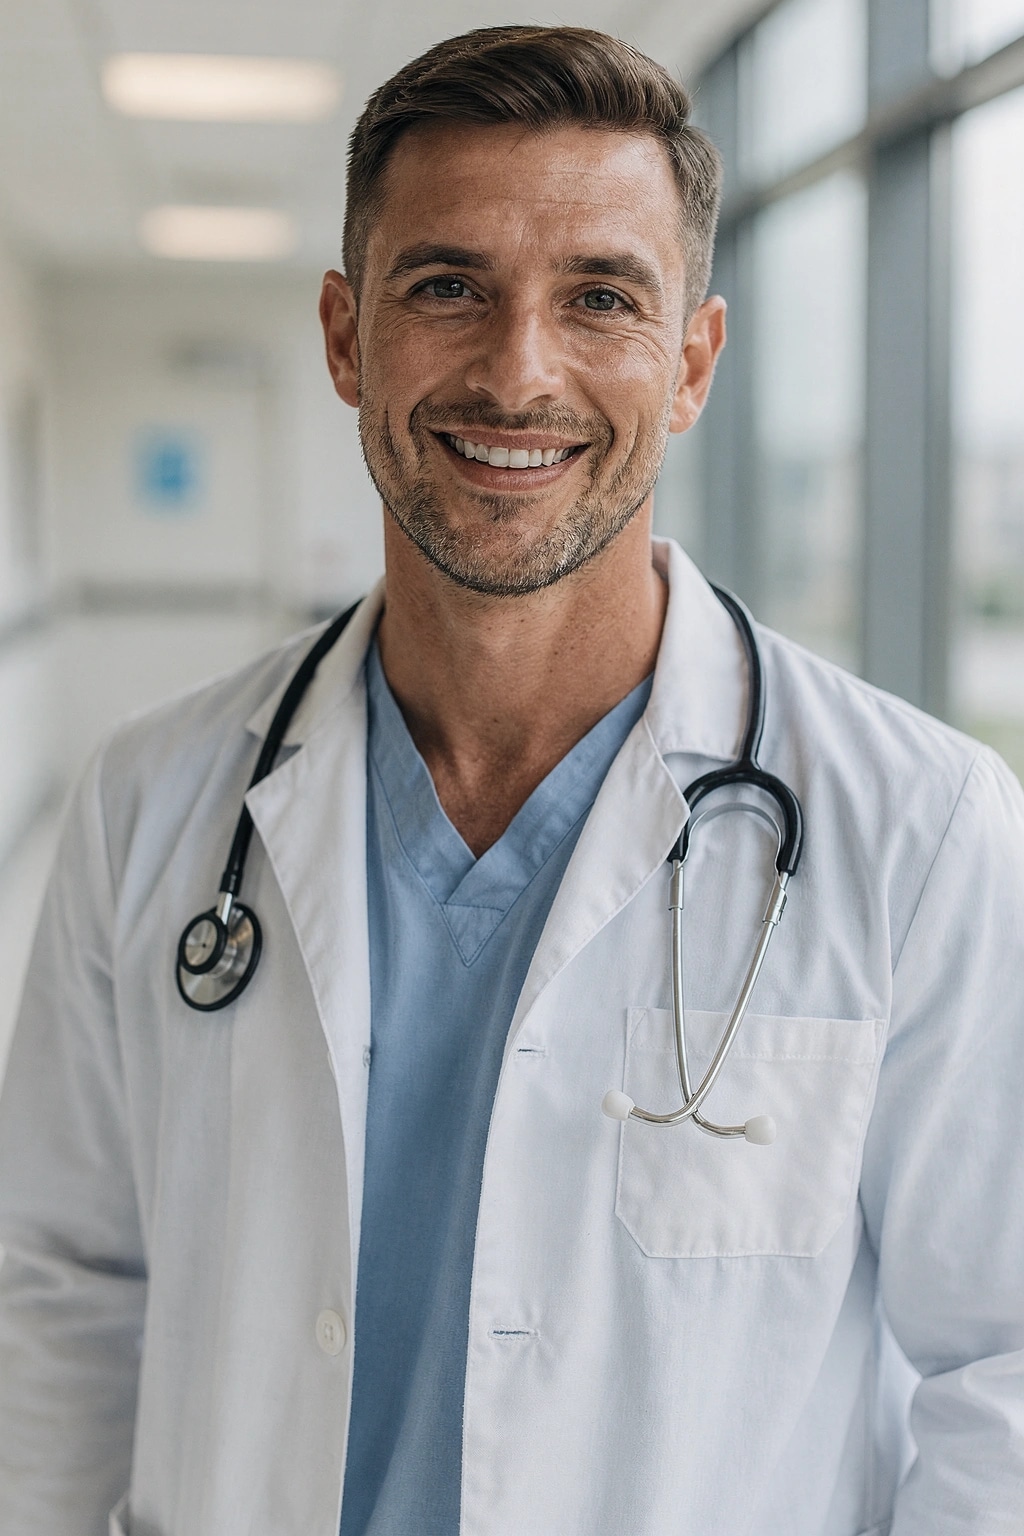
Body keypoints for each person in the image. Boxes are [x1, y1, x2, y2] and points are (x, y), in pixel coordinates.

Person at [1, 23, 1022, 1536]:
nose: (518, 370)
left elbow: (1001, 1367)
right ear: (346, 337)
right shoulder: (150, 801)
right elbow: (62, 1291)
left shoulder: (921, 831)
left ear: (692, 362)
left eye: (600, 297)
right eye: (446, 287)